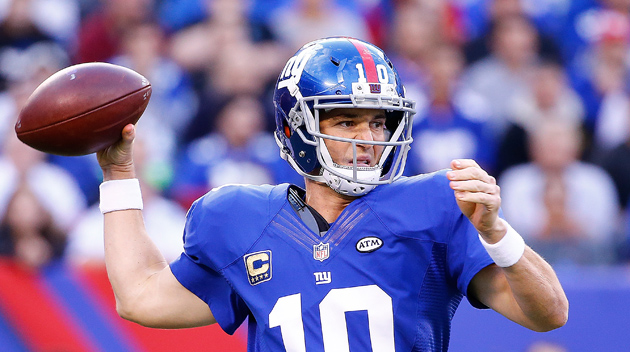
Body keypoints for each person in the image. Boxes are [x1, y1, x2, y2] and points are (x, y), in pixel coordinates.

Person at [95, 37, 567, 351]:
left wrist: (496, 232)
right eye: (346, 121)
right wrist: (119, 174)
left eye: (379, 122)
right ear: (295, 127)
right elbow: (140, 297)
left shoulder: (436, 205)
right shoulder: (238, 218)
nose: (369, 139)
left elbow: (548, 315)